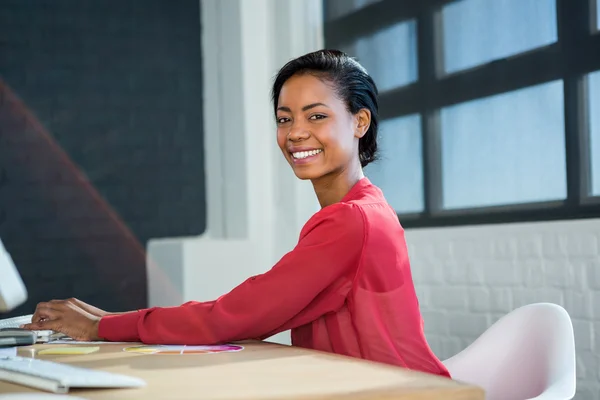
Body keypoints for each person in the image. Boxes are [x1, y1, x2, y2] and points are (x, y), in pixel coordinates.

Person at [23, 50, 450, 378]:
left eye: (316, 116)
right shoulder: (363, 209)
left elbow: (238, 315)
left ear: (360, 122)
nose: (295, 132)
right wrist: (106, 320)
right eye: (284, 118)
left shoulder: (352, 220)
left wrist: (102, 327)